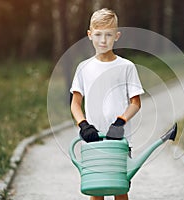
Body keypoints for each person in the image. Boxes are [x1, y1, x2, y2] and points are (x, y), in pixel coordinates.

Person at [70, 8, 144, 200]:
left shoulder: (126, 67)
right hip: (93, 139)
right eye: (98, 35)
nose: (103, 40)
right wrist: (84, 125)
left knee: (120, 189)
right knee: (96, 189)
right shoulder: (83, 68)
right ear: (89, 35)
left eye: (109, 35)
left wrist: (120, 122)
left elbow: (135, 103)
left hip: (119, 138)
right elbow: (75, 104)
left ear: (117, 36)